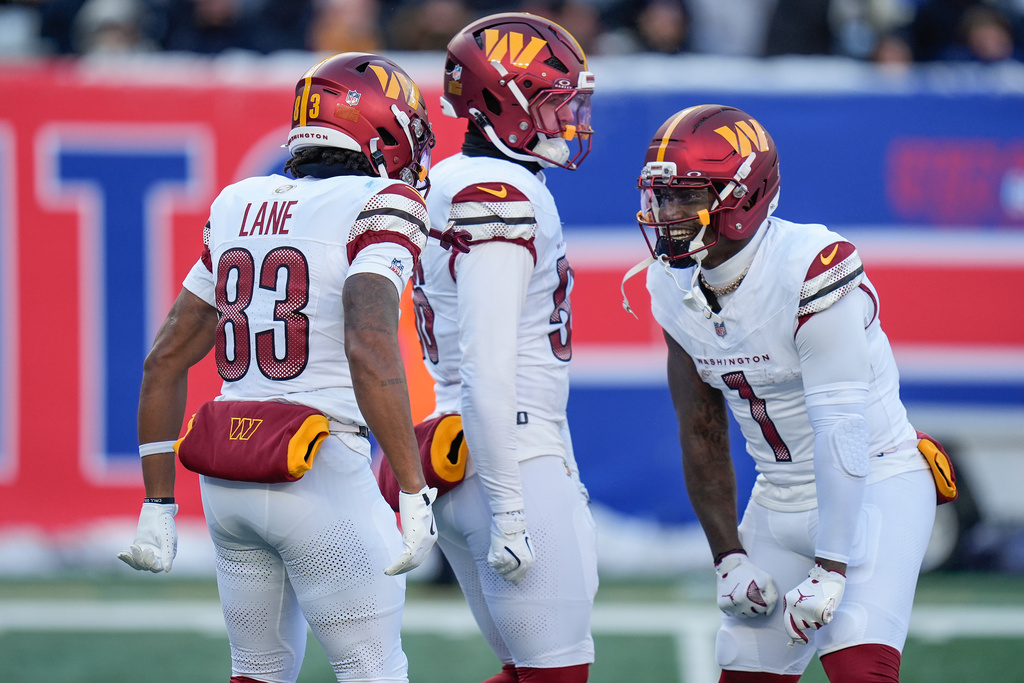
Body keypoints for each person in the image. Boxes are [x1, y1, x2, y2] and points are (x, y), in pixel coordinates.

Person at [117, 52, 440, 683]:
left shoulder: (239, 201)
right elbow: (369, 343)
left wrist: (157, 503)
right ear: (380, 127)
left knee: (257, 670)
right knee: (374, 671)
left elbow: (164, 358)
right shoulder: (382, 199)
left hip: (229, 478)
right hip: (322, 470)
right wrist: (411, 485)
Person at [624, 104, 943, 681]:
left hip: (875, 482)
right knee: (745, 668)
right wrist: (728, 557)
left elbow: (841, 426)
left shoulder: (811, 265)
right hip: (780, 497)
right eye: (661, 197)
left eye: (688, 196)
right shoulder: (668, 284)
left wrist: (832, 565)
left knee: (856, 661)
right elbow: (699, 426)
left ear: (742, 197)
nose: (668, 214)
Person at [408, 12, 599, 683]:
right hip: (506, 456)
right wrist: (514, 507)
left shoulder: (446, 180)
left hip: (466, 451)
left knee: (527, 671)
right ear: (501, 104)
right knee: (555, 675)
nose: (570, 121)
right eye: (555, 104)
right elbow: (490, 363)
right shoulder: (500, 193)